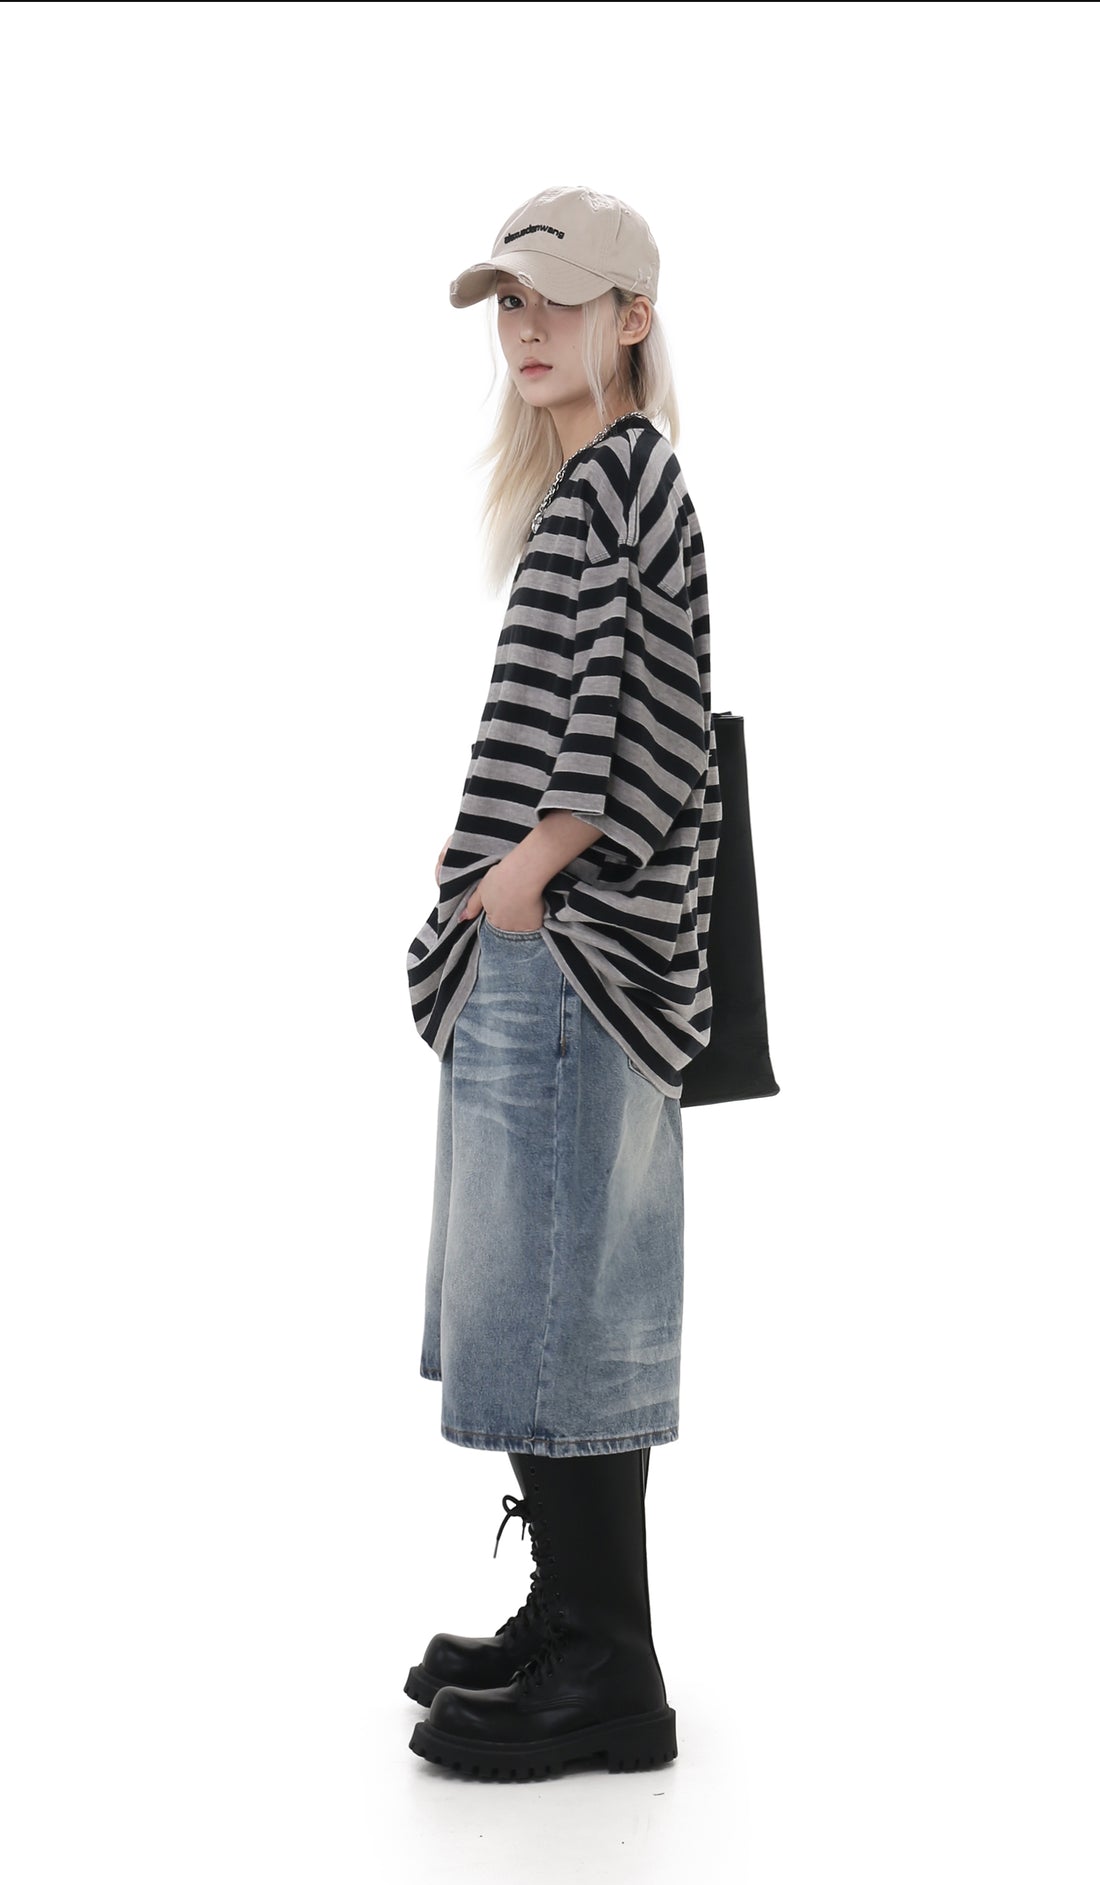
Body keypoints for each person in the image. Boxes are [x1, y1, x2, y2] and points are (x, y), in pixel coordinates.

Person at [402, 186, 721, 1781]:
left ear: (632, 317)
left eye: (557, 302)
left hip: (574, 956)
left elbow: (635, 714)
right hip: (558, 946)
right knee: (549, 1297)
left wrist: (526, 871)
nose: (526, 331)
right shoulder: (594, 481)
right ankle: (579, 1623)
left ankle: (606, 1668)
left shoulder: (622, 479)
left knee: (558, 1302)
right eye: (510, 307)